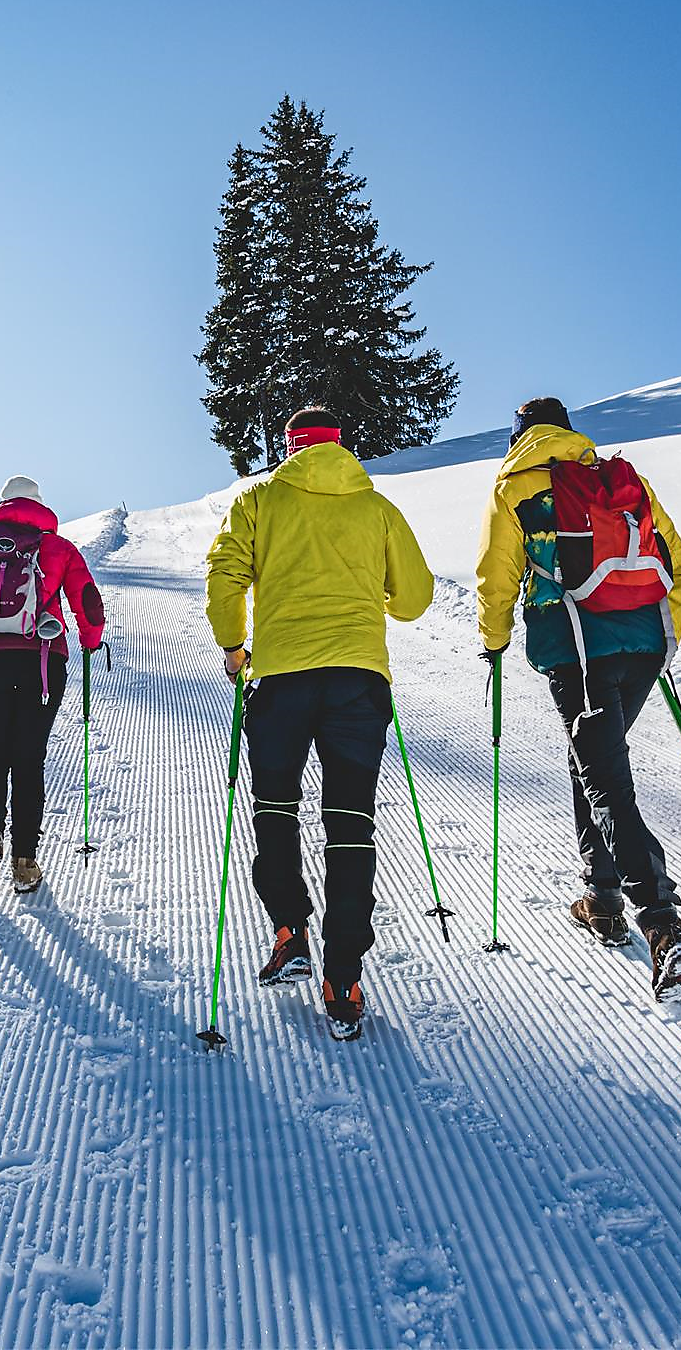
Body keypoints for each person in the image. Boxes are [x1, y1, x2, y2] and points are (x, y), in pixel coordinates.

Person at [205, 408, 433, 1042]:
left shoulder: (259, 499)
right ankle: (344, 974)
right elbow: (413, 599)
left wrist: (233, 643)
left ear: (290, 447)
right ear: (341, 444)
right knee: (350, 824)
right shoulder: (376, 506)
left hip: (279, 679)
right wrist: (367, 596)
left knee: (275, 807)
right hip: (359, 681)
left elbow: (225, 575)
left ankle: (289, 929)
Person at [476, 396, 681, 1001]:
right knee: (593, 759)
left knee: (603, 775)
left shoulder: (516, 485)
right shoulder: (621, 477)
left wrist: (493, 641)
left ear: (519, 433)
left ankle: (660, 920)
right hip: (643, 647)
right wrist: (666, 632)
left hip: (577, 650)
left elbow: (497, 575)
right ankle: (600, 895)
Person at [0, 475, 106, 893]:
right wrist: (89, 642)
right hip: (43, 661)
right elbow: (87, 601)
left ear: (2, 505)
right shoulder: (58, 548)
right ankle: (25, 858)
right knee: (29, 757)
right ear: (40, 504)